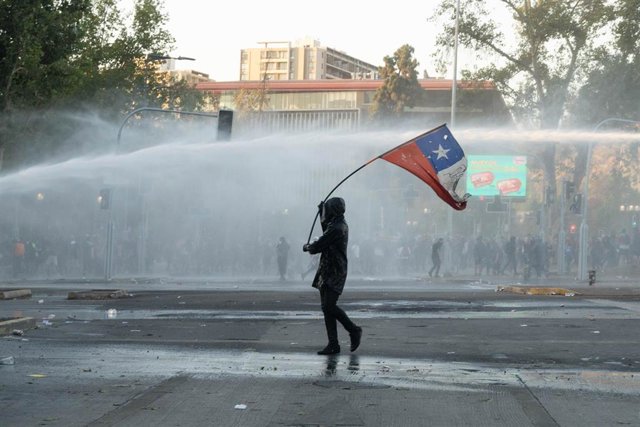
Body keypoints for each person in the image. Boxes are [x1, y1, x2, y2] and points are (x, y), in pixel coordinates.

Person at [303, 197, 362, 355]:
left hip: (334, 271)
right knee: (326, 308)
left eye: (328, 209)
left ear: (333, 210)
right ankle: (333, 344)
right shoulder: (337, 224)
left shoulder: (337, 227)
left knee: (329, 306)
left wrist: (309, 247)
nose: (327, 212)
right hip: (328, 269)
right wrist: (322, 213)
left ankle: (354, 330)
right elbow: (326, 232)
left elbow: (320, 244)